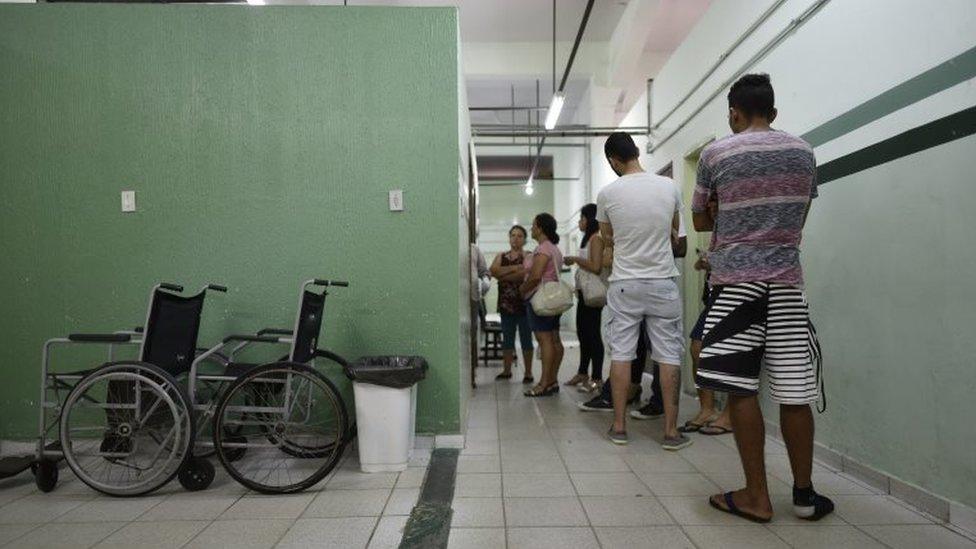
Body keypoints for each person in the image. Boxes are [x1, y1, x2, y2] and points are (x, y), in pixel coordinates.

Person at [693, 73, 832, 522]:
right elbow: (800, 217)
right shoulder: (803, 151)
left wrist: (725, 212)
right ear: (773, 113)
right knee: (795, 392)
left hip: (735, 281)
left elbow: (699, 220)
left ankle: (756, 495)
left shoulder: (715, 153)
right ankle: (805, 496)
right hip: (787, 282)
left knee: (739, 389)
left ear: (734, 113)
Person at [596, 132, 689, 451]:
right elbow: (677, 238)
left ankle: (620, 427)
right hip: (662, 281)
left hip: (624, 284)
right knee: (668, 355)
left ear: (613, 160)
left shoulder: (607, 193)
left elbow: (608, 242)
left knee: (622, 353)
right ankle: (671, 432)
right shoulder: (670, 187)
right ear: (636, 152)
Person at [679, 251, 733, 435]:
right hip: (713, 298)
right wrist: (706, 261)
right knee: (697, 348)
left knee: (735, 355)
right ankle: (707, 409)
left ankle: (730, 414)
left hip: (737, 294)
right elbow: (698, 264)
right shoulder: (719, 233)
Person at [519, 213, 565, 397]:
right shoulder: (554, 248)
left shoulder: (543, 249)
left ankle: (544, 383)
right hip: (553, 298)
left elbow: (536, 276)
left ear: (540, 228)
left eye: (533, 225)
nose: (531, 229)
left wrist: (523, 289)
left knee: (544, 340)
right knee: (554, 339)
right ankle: (552, 380)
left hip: (540, 299)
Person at [563, 204, 607, 391]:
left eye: (582, 218)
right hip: (584, 294)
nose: (580, 222)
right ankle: (583, 372)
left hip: (593, 295)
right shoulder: (587, 239)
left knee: (593, 335)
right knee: (583, 334)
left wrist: (575, 259)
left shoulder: (596, 239)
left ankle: (597, 377)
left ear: (590, 219)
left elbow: (596, 267)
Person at [489, 225, 535, 383]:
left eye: (520, 235)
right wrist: (515, 268)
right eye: (513, 235)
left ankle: (528, 373)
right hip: (506, 304)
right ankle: (506, 370)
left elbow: (525, 275)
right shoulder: (501, 255)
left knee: (526, 339)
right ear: (509, 238)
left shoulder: (529, 255)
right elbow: (493, 271)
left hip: (524, 304)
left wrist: (504, 274)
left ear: (525, 239)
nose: (516, 238)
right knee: (507, 339)